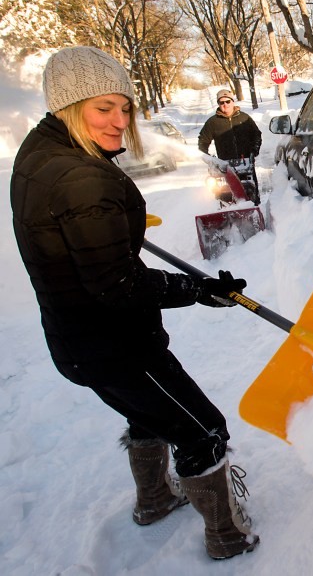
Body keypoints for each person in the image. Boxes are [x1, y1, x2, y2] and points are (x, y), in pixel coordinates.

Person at [10, 46, 259, 561]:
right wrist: (200, 290)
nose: (120, 121)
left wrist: (113, 232)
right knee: (202, 429)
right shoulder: (81, 176)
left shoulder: (40, 156)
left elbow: (84, 246)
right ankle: (226, 535)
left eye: (125, 107)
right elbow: (117, 285)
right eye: (104, 108)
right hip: (115, 343)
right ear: (67, 105)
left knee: (150, 415)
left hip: (79, 341)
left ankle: (154, 499)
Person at [198, 89, 262, 204]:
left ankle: (255, 211)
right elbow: (203, 141)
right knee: (226, 195)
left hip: (246, 163)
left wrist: (254, 150)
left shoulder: (244, 118)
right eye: (221, 102)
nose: (225, 105)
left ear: (232, 102)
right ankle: (230, 214)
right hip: (225, 167)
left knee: (251, 192)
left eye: (227, 101)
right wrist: (208, 158)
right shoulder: (213, 122)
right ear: (218, 104)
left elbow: (256, 135)